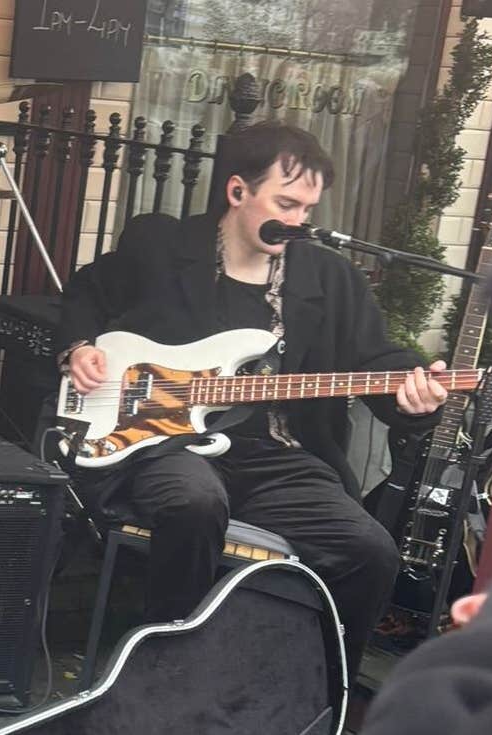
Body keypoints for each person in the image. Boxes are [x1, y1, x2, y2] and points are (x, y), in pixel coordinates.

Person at [53, 121, 449, 673]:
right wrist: (78, 347)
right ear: (238, 191)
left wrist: (413, 396)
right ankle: (166, 670)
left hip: (278, 457)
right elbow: (87, 291)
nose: (298, 221)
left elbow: (374, 360)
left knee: (371, 552)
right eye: (285, 204)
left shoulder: (330, 278)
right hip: (167, 442)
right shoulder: (164, 246)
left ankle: (312, 691)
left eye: (308, 210)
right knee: (194, 502)